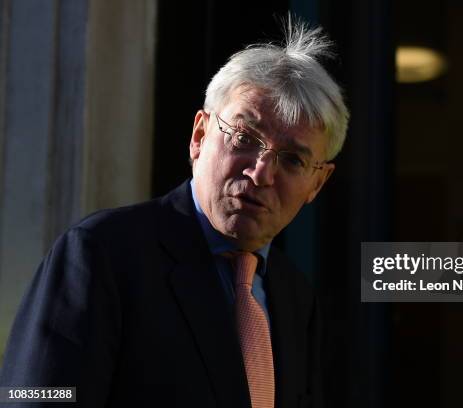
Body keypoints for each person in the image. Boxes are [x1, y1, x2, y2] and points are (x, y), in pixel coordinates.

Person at [0, 17, 349, 408]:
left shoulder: (294, 298)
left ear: (317, 184)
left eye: (293, 160)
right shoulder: (102, 255)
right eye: (245, 139)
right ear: (199, 137)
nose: (261, 173)